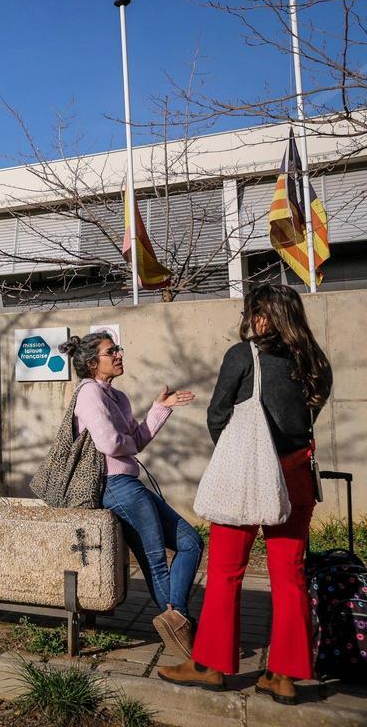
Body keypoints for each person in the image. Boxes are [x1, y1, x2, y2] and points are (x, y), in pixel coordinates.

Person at [158, 284, 333, 706]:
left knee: (225, 570)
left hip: (250, 474)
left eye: (255, 311)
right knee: (289, 576)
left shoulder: (244, 356)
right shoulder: (313, 362)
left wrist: (235, 453)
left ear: (264, 315)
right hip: (297, 476)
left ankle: (210, 666)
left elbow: (218, 414)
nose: (251, 319)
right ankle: (284, 675)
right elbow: (309, 415)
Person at [60, 333, 202, 659]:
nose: (119, 354)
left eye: (118, 349)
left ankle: (176, 616)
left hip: (130, 483)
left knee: (191, 542)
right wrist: (126, 442)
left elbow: (134, 441)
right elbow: (110, 444)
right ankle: (181, 626)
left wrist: (159, 408)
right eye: (112, 352)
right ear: (93, 363)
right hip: (114, 485)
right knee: (154, 558)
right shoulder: (89, 393)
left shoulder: (118, 398)